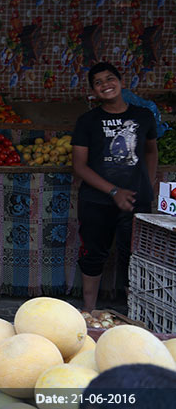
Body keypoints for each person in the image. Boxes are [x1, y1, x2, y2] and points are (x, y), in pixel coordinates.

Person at [72, 62, 157, 312]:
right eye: (98, 83)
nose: (105, 85)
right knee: (93, 255)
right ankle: (89, 313)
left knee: (133, 257)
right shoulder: (87, 121)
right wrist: (113, 191)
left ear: (120, 82)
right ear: (93, 91)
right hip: (96, 202)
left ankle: (135, 313)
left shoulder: (143, 116)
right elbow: (79, 166)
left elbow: (151, 151)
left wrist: (147, 184)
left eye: (110, 79)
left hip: (135, 201)